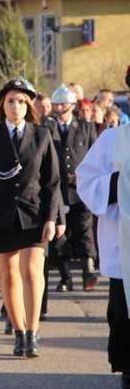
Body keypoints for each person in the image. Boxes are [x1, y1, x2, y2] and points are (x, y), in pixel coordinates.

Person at [0, 79, 62, 358]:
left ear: (30, 105)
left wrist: (52, 218)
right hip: (2, 216)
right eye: (11, 100)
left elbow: (52, 181)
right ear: (3, 104)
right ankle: (18, 332)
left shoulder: (42, 135)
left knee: (31, 271)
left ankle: (33, 332)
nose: (16, 106)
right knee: (8, 275)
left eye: (22, 101)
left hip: (35, 214)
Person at [77, 91, 130, 386]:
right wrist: (122, 181)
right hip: (125, 244)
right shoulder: (113, 139)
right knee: (124, 311)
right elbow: (87, 180)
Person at [46, 84, 98, 292]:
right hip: (57, 189)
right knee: (60, 234)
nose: (60, 108)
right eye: (57, 104)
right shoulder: (47, 128)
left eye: (64, 103)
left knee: (84, 231)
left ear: (72, 105)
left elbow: (95, 157)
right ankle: (65, 276)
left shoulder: (86, 127)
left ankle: (88, 272)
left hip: (80, 186)